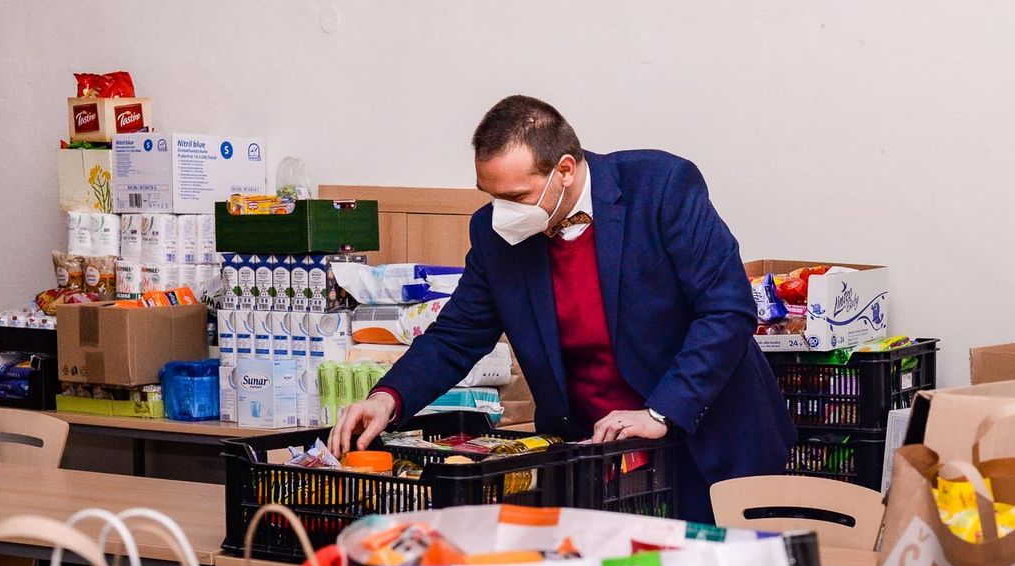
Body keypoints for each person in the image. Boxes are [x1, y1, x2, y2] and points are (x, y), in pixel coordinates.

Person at [328, 95, 792, 523]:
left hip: (707, 443)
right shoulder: (496, 234)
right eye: (491, 197)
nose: (502, 212)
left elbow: (726, 311)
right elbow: (457, 335)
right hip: (594, 459)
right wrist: (387, 399)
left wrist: (658, 413)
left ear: (565, 170)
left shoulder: (660, 187)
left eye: (516, 198)